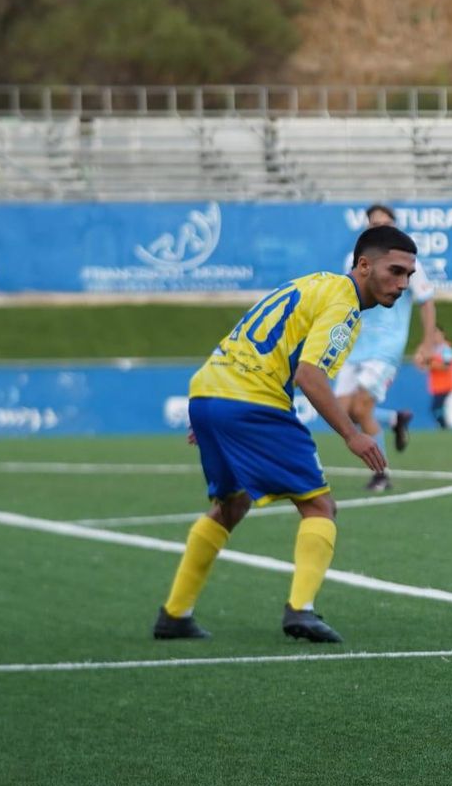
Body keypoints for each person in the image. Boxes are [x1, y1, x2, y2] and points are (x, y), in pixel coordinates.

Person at [152, 225, 418, 643]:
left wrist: (211, 406)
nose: (403, 285)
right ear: (364, 265)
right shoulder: (344, 306)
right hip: (253, 401)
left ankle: (175, 614)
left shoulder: (311, 283)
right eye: (396, 271)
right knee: (320, 508)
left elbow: (246, 333)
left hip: (210, 391)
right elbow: (310, 377)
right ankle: (301, 611)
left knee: (231, 504)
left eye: (409, 276)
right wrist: (353, 435)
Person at [335, 204, 439, 492]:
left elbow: (426, 301)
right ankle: (394, 419)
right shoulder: (355, 259)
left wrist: (428, 343)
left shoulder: (407, 262)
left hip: (386, 346)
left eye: (386, 223)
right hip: (354, 345)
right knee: (340, 412)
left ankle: (381, 473)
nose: (381, 227)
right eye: (375, 224)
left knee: (362, 407)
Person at [413, 324, 452, 429]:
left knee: (437, 408)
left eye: (436, 333)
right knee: (436, 408)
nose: (435, 336)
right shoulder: (432, 350)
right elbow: (420, 365)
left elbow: (446, 366)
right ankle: (444, 427)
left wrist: (429, 363)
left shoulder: (446, 349)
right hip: (437, 386)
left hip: (447, 385)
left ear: (443, 334)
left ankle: (445, 427)